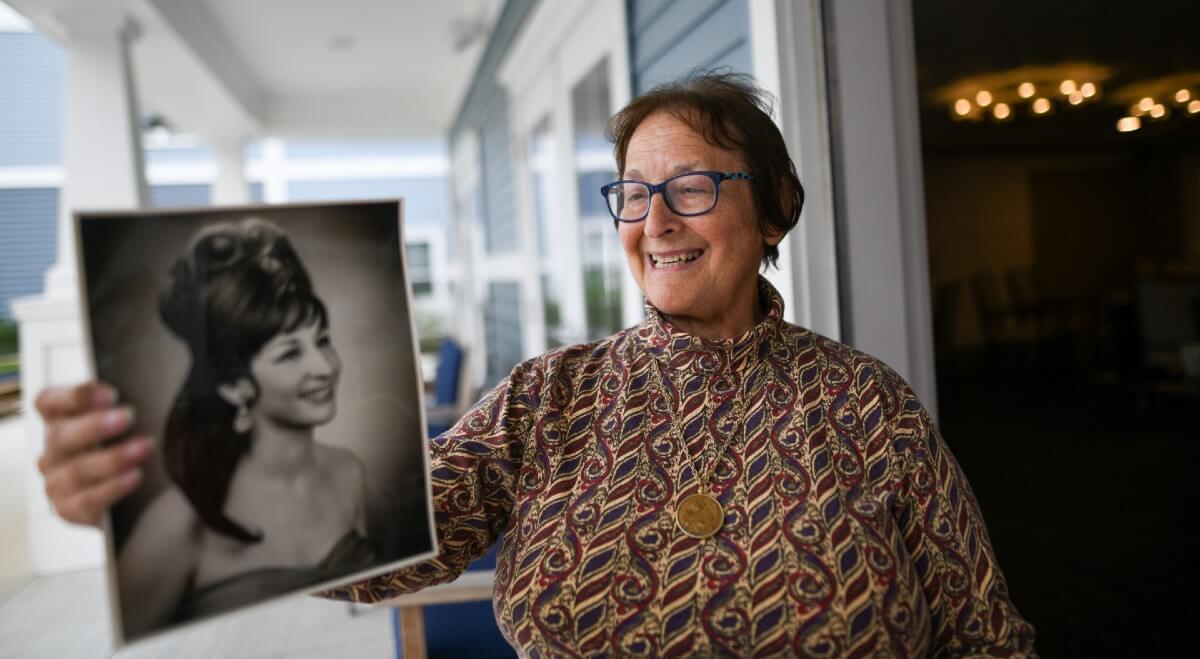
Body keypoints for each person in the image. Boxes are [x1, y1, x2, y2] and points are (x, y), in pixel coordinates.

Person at [36, 73, 1035, 655]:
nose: (654, 221)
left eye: (691, 185)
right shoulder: (550, 397)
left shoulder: (866, 405)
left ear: (773, 210)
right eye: (633, 193)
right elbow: (378, 551)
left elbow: (987, 636)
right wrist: (148, 483)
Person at [60, 219, 374, 635]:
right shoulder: (177, 523)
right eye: (289, 354)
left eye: (322, 341)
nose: (325, 367)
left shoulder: (349, 471)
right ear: (232, 384)